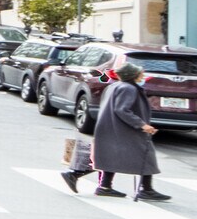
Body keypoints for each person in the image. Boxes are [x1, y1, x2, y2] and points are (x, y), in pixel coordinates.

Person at [68, 62, 167, 200]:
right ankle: (146, 189)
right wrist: (142, 125)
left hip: (111, 127)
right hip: (123, 129)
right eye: (140, 73)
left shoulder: (115, 86)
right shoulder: (128, 88)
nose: (143, 75)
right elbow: (122, 109)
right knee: (146, 155)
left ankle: (104, 186)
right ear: (133, 75)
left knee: (111, 157)